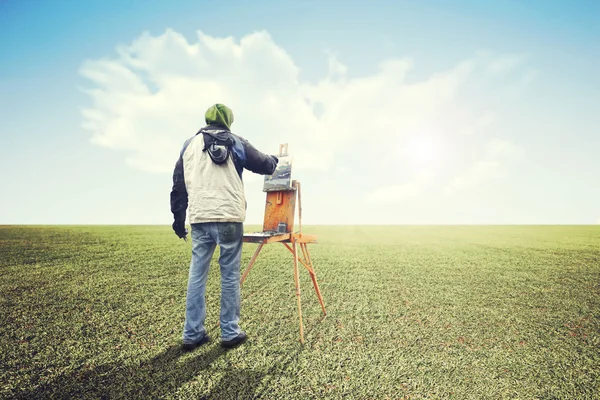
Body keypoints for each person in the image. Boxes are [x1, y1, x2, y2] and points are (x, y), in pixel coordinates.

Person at [170, 103, 278, 350]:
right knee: (229, 275)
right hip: (229, 216)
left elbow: (178, 186)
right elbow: (265, 165)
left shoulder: (189, 145)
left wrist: (178, 220)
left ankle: (192, 333)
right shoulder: (235, 141)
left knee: (197, 275)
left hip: (199, 218)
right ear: (228, 120)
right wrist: (275, 159)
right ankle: (229, 332)